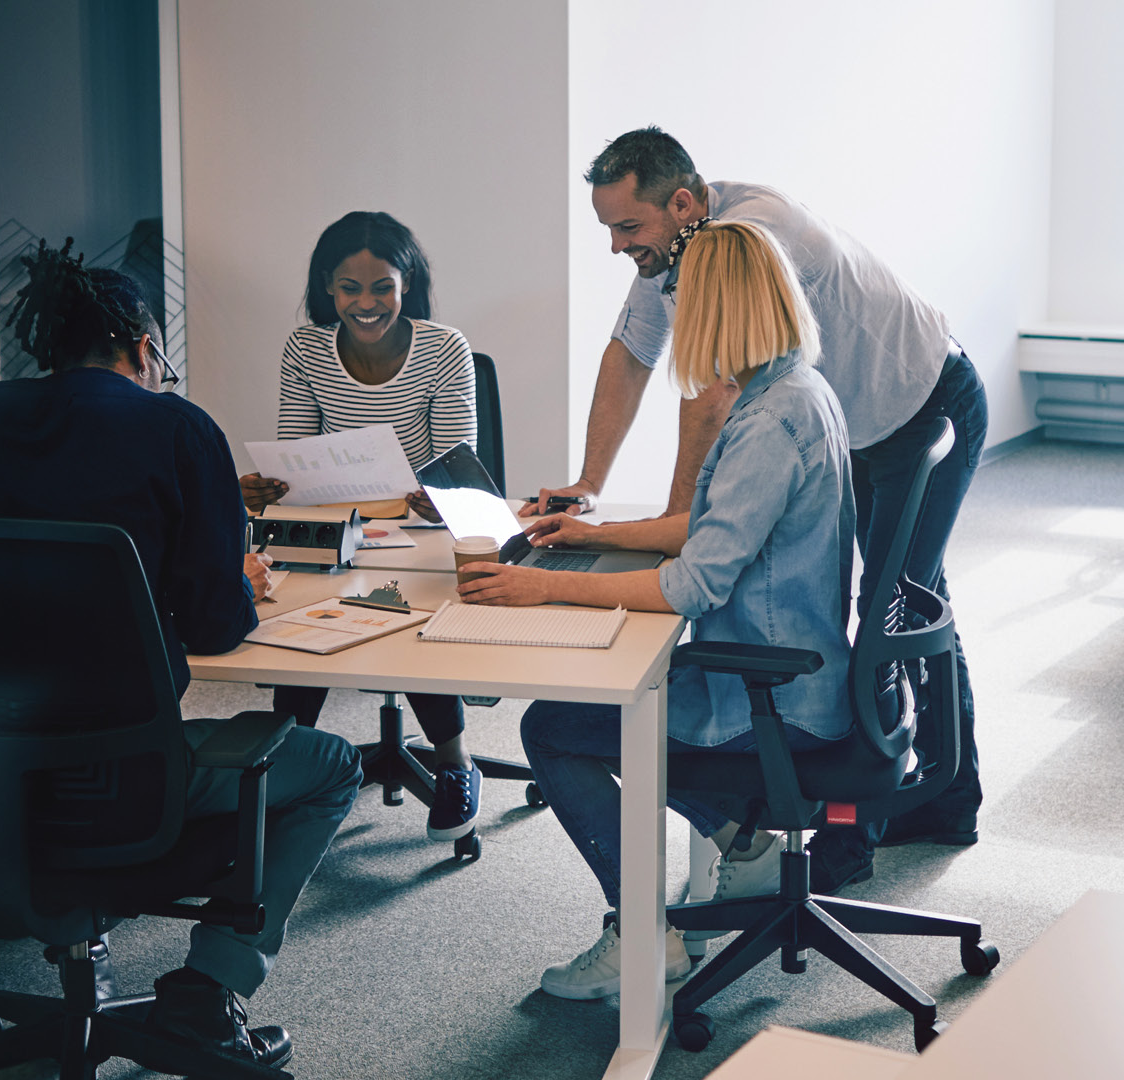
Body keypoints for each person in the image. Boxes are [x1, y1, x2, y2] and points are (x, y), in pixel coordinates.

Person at [0, 238, 362, 1070]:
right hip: (124, 784)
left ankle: (70, 930)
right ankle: (211, 989)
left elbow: (0, 570)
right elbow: (214, 631)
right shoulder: (177, 427)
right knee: (333, 765)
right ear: (145, 349)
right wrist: (232, 576)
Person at [528, 127, 987, 893]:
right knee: (864, 601)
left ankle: (891, 816)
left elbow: (709, 401)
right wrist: (589, 485)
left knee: (893, 604)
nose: (616, 247)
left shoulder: (745, 248)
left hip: (923, 399)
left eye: (627, 228)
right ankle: (860, 803)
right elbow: (632, 351)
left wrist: (684, 527)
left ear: (681, 205)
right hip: (847, 419)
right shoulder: (683, 246)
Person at [464, 221, 855, 999]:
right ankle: (740, 838)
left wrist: (547, 585)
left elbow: (690, 586)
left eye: (683, 306)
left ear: (715, 309)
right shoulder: (788, 389)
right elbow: (713, 528)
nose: (675, 322)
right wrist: (595, 534)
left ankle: (643, 935)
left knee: (554, 728)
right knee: (622, 706)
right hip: (791, 668)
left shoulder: (768, 423)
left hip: (774, 694)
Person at [236, 211, 483, 842]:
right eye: (350, 288)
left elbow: (456, 465)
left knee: (410, 617)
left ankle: (455, 764)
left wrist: (437, 499)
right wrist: (271, 487)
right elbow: (297, 452)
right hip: (336, 527)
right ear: (327, 287)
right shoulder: (307, 349)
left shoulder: (443, 348)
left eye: (382, 288)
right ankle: (289, 768)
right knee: (297, 625)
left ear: (408, 284)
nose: (366, 304)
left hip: (423, 535)